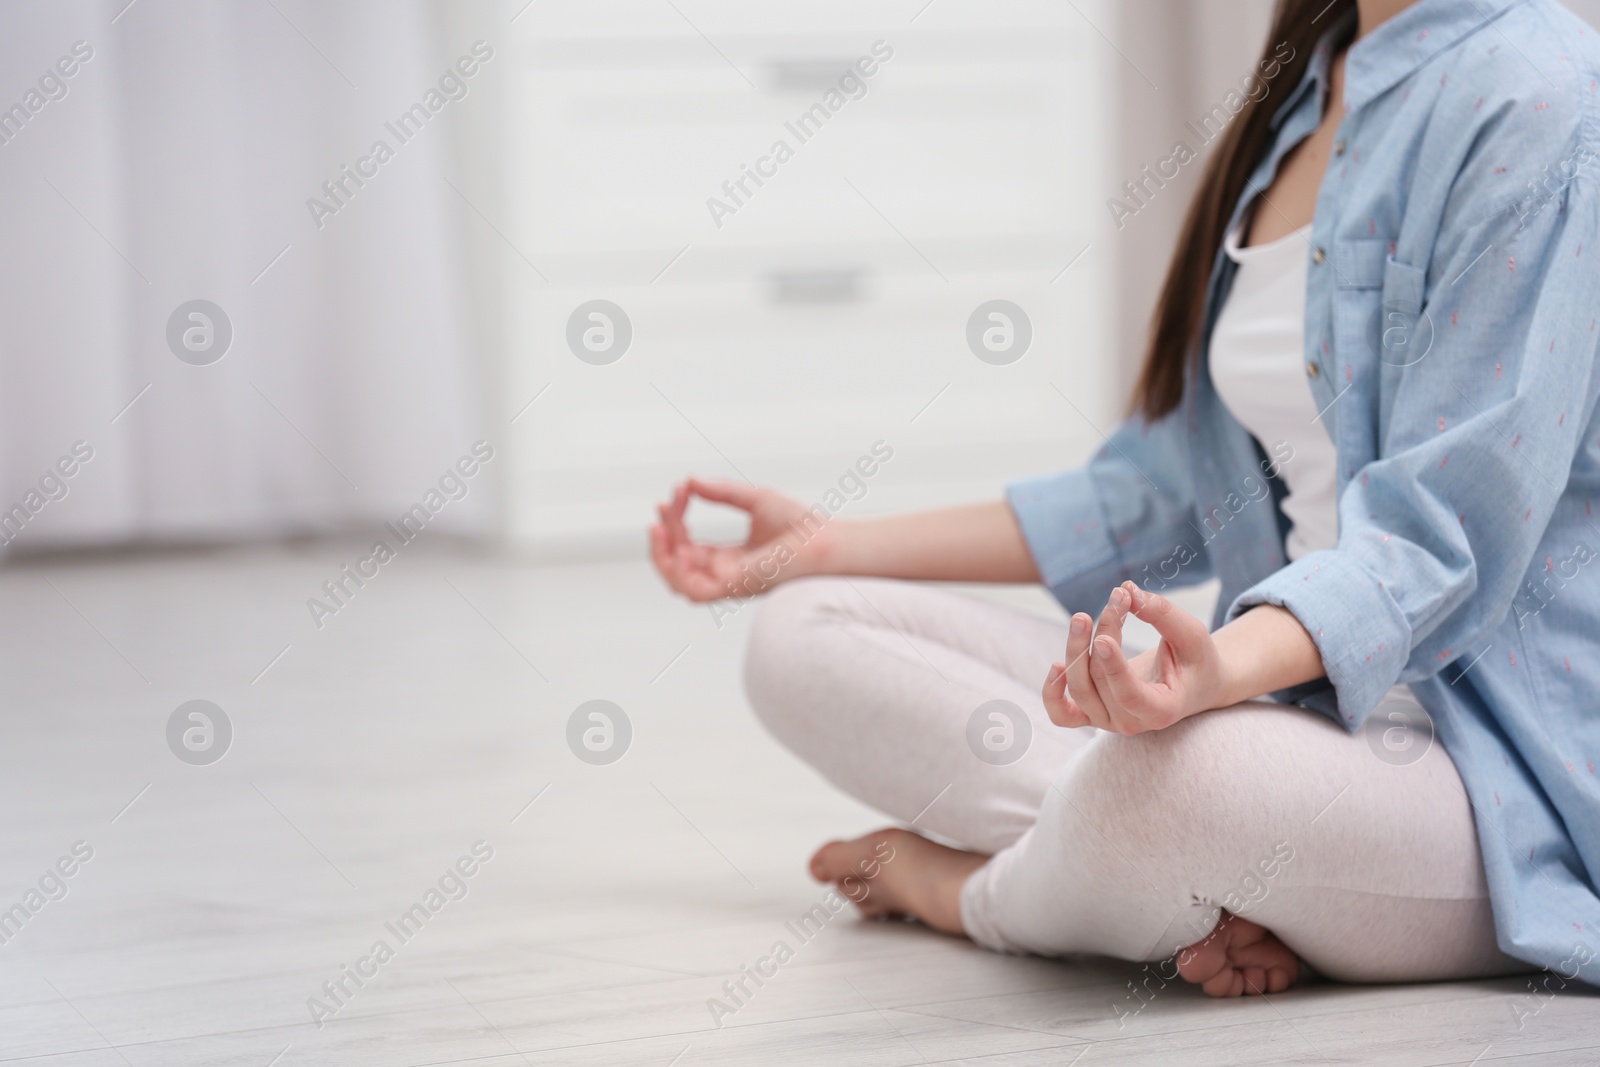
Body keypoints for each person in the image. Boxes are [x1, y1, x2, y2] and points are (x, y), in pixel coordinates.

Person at [651, 0, 1600, 997]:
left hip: (1489, 781)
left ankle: (968, 892)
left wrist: (1210, 678)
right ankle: (1188, 887)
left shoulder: (1540, 94)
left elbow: (1440, 532)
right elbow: (1157, 496)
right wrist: (823, 543)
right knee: (805, 631)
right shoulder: (1310, 88)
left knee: (1168, 783)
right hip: (1279, 715)